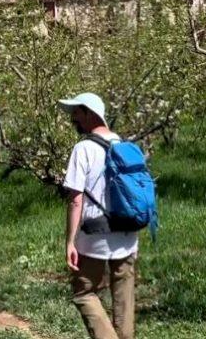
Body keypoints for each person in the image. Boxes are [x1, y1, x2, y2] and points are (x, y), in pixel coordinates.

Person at [59, 92, 137, 339]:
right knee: (124, 297)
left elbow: (75, 199)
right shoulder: (125, 146)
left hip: (95, 234)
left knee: (84, 292)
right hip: (127, 232)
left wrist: (70, 240)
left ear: (90, 113)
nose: (73, 120)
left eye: (76, 113)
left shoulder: (83, 149)